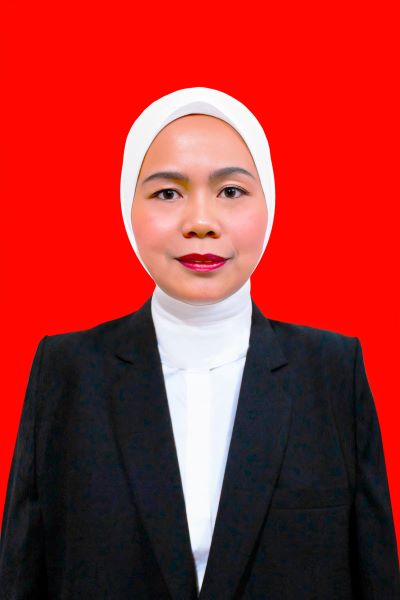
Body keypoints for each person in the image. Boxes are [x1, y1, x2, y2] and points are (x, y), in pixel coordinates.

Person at [0, 87, 398, 599]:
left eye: (231, 191)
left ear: (270, 203)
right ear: (127, 207)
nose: (202, 223)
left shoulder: (332, 371)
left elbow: (375, 574)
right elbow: (22, 572)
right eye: (168, 194)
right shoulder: (67, 370)